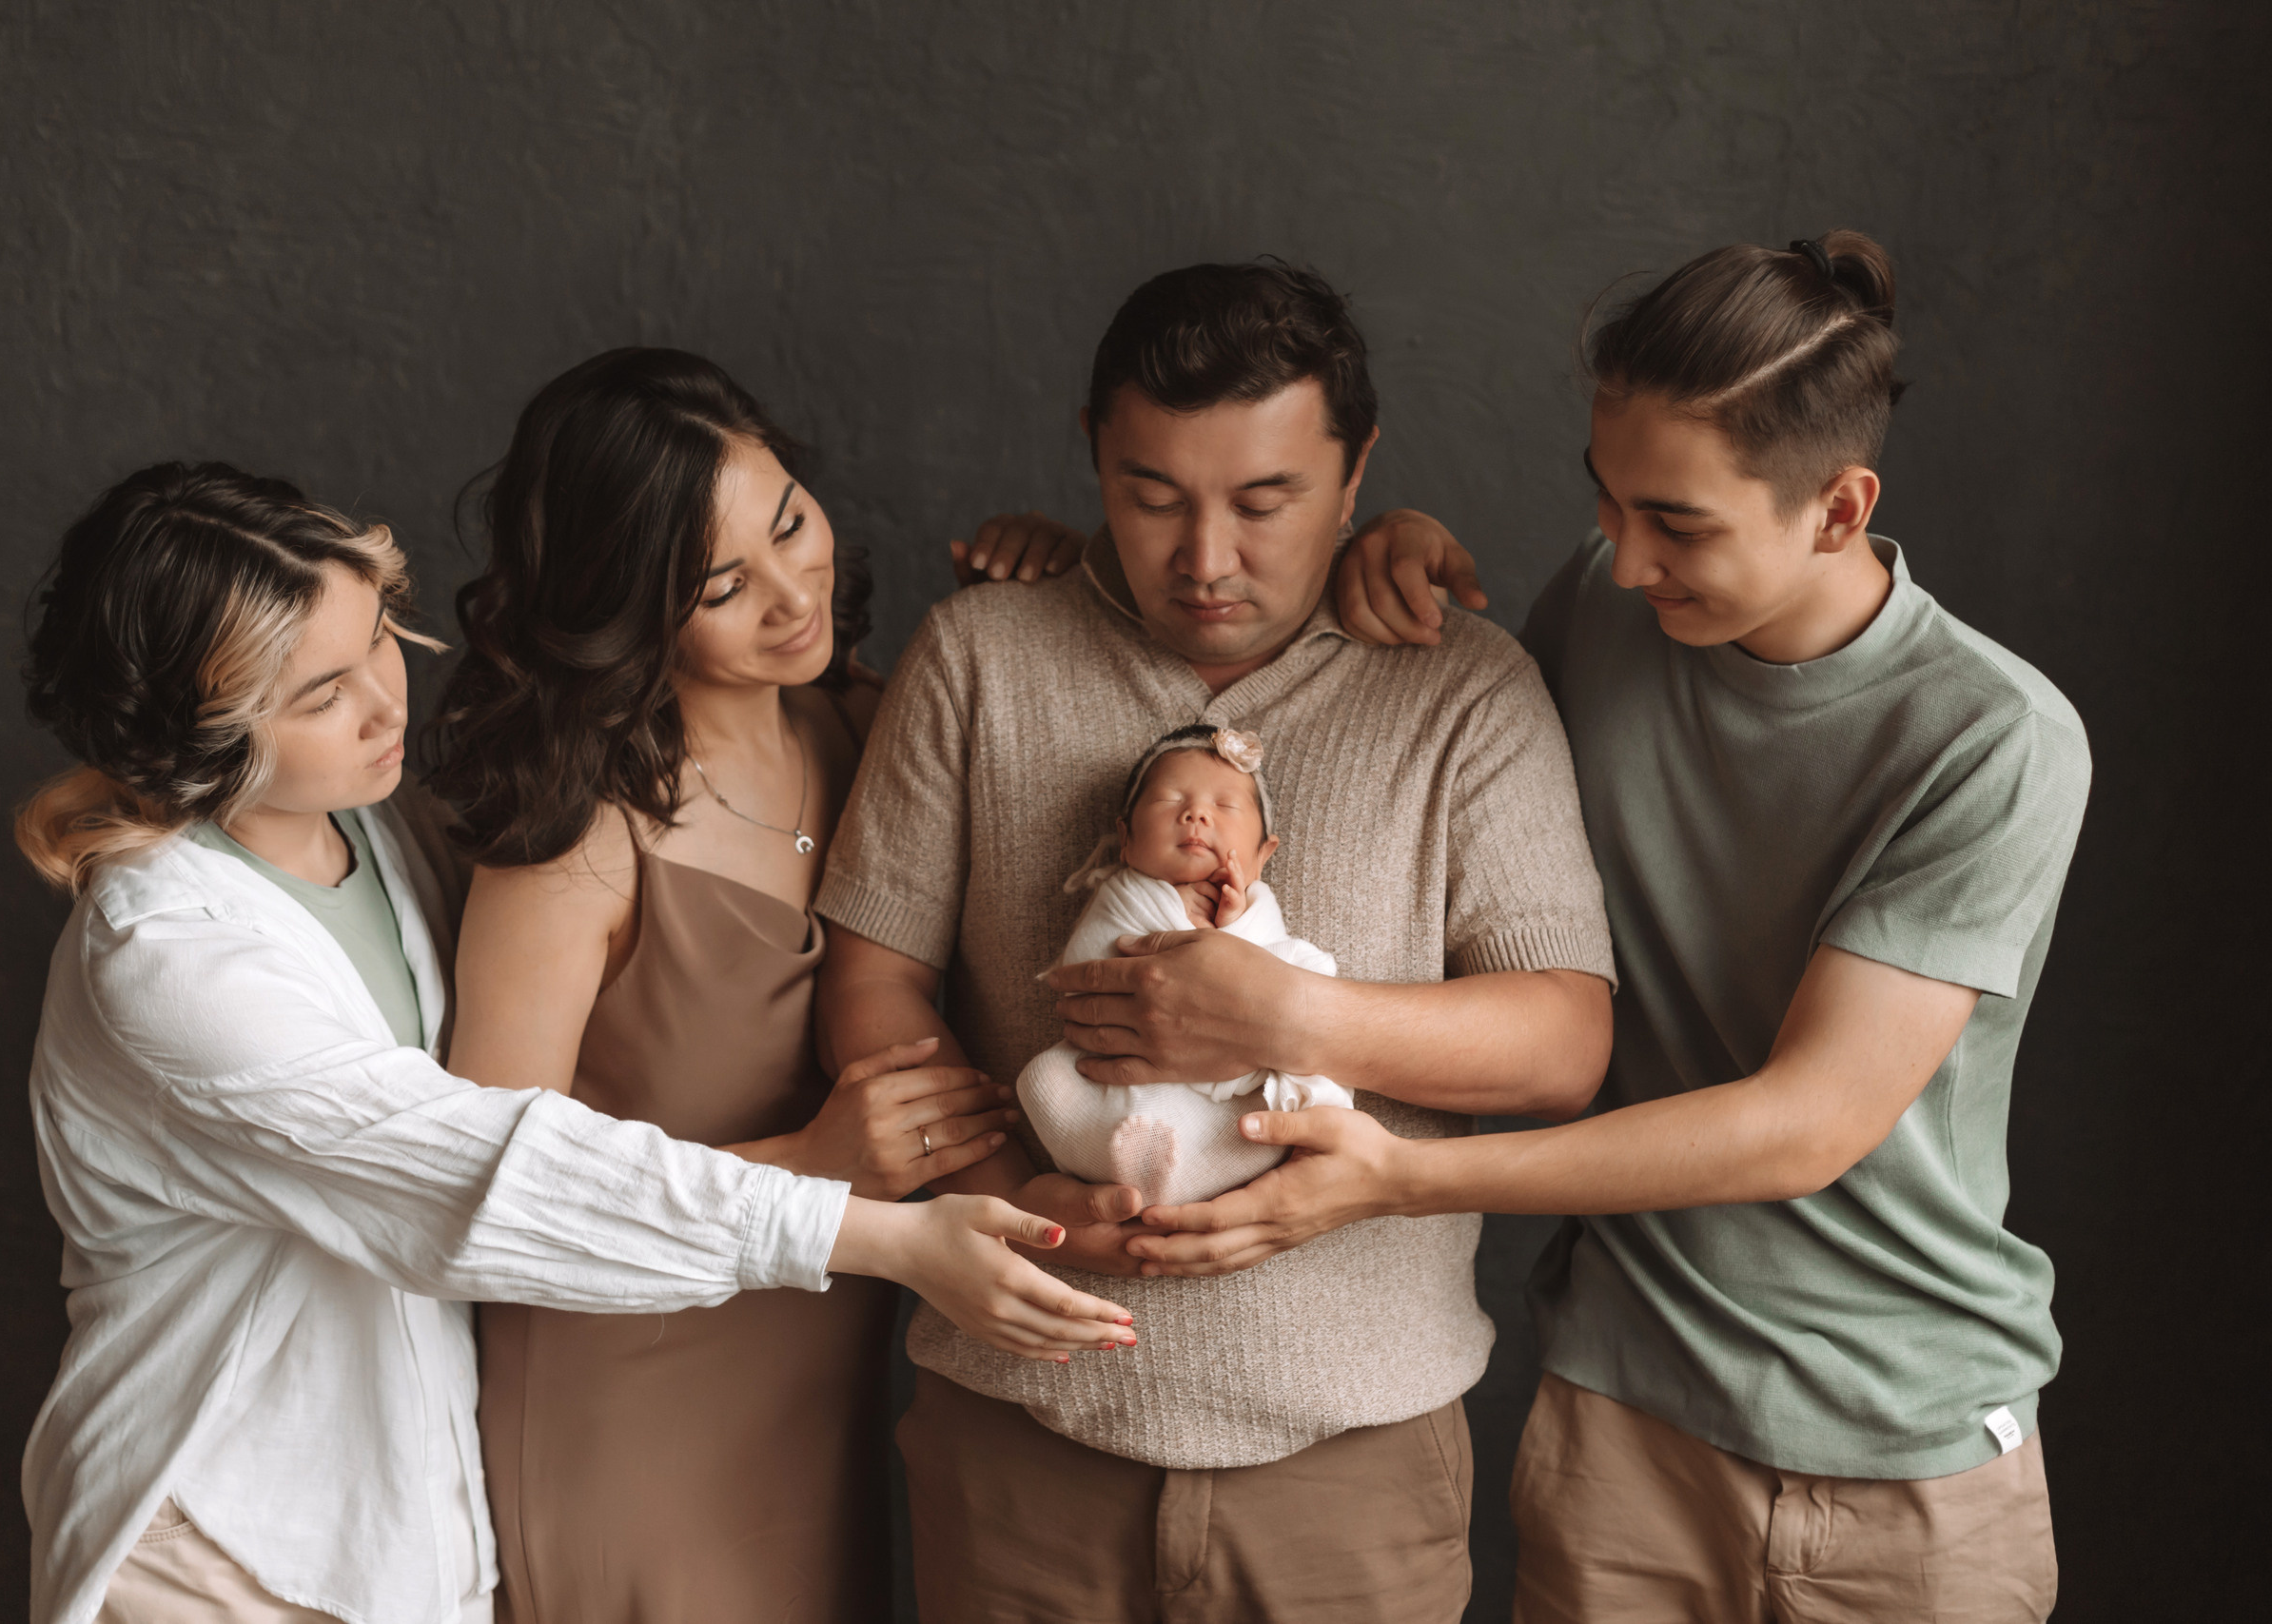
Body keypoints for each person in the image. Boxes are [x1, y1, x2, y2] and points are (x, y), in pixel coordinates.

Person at [1151, 231, 2086, 1622]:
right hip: (1621, 1428)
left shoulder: (1994, 739)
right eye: (1607, 498)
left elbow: (1803, 1124)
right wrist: (1381, 550)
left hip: (1906, 1452)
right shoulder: (1601, 609)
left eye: (1681, 522)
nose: (1625, 553)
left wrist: (1397, 1177)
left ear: (1840, 508)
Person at [14, 460, 1129, 1624]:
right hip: (223, 1541)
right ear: (196, 736)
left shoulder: (369, 833)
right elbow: (487, 1178)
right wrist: (865, 1224)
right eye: (320, 694)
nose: (389, 703)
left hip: (408, 1531)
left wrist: (1058, 609)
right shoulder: (169, 961)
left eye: (381, 637)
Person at [817, 261, 1617, 1621]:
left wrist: (1292, 1021)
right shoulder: (978, 657)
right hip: (1022, 1424)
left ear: (1357, 474)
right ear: (1092, 455)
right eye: (1151, 495)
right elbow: (874, 976)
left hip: (1351, 1463)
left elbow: (1564, 1042)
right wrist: (1019, 1188)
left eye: (1265, 501)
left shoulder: (1464, 688)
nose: (1205, 558)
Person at [427, 346, 1114, 1623]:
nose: (797, 590)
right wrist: (811, 1157)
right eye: (722, 583)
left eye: (792, 520)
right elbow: (490, 1192)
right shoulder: (581, 836)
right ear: (626, 607)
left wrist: (1067, 572)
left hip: (820, 1383)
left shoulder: (861, 719)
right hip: (624, 1404)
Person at [1016, 722, 1352, 1206]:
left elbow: (1270, 989)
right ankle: (1123, 1163)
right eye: (1171, 800)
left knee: (1304, 973)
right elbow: (1087, 977)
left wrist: (1229, 933)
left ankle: (1188, 1167)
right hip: (1115, 1083)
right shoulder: (1122, 897)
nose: (1195, 814)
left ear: (1262, 855)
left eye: (1225, 805)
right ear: (1126, 839)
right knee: (1041, 1083)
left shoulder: (1257, 908)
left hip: (1225, 1094)